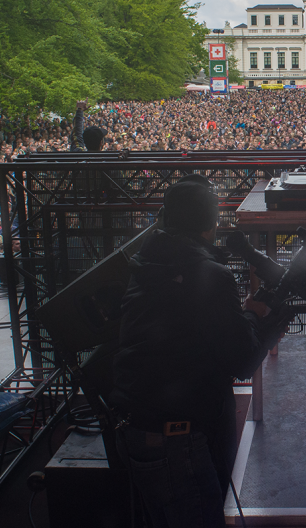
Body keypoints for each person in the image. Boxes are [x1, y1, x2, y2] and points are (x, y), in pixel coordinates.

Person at [110, 175, 287, 527]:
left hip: (138, 431)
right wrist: (259, 317)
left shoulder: (146, 263)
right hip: (176, 443)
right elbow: (242, 361)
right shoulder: (208, 274)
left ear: (164, 218)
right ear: (212, 223)